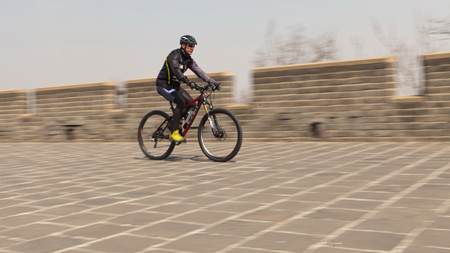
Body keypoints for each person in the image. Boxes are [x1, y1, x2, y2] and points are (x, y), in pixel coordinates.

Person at [156, 35, 219, 142]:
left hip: (175, 86)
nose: (192, 48)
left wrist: (213, 82)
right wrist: (188, 82)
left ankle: (176, 123)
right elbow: (177, 72)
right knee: (180, 103)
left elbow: (199, 71)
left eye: (193, 46)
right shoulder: (174, 55)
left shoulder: (188, 60)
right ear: (183, 45)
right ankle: (174, 132)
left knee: (192, 105)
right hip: (164, 85)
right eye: (190, 46)